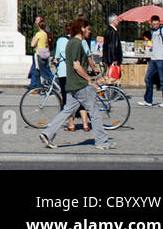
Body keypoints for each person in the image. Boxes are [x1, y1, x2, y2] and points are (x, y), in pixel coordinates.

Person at [38, 18, 113, 152]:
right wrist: (89, 79)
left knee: (67, 110)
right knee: (94, 112)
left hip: (71, 83)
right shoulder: (78, 44)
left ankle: (48, 133)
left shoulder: (70, 43)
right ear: (82, 28)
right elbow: (77, 65)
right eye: (87, 28)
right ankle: (102, 141)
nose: (89, 31)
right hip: (81, 84)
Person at [140, 14, 163, 107]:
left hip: (161, 58)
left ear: (159, 22)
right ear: (151, 23)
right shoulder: (153, 32)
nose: (155, 24)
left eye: (156, 23)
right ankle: (148, 100)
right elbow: (155, 45)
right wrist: (149, 45)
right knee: (148, 78)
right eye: (153, 23)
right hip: (153, 58)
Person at [28, 17, 50, 89]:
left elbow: (32, 44)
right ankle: (38, 86)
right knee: (44, 70)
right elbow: (46, 44)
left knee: (38, 70)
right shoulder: (45, 34)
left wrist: (35, 47)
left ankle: (36, 86)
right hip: (45, 53)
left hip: (39, 53)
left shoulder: (39, 34)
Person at [101, 13, 123, 78]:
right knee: (113, 78)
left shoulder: (108, 30)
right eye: (117, 20)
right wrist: (114, 59)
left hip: (108, 58)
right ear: (113, 21)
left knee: (109, 76)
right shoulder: (113, 32)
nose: (118, 21)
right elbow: (113, 46)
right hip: (112, 60)